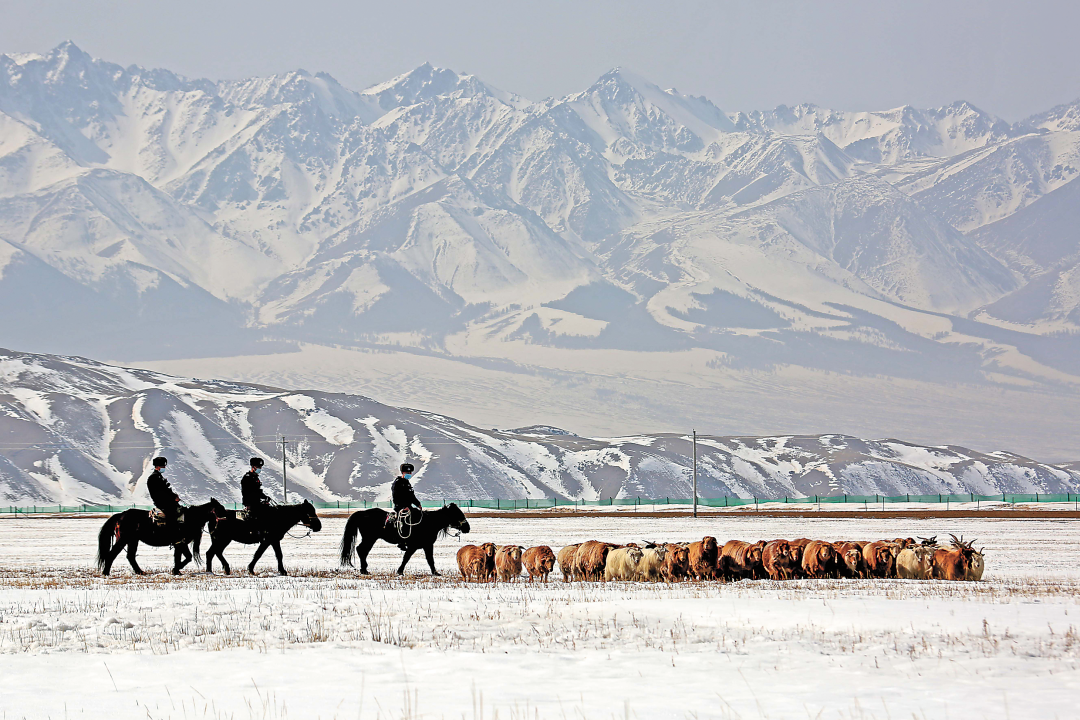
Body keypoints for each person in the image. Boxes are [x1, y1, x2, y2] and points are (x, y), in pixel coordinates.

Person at [146, 456, 182, 538]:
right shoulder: (154, 477)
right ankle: (171, 535)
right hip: (162, 502)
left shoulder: (158, 476)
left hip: (166, 501)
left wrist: (174, 496)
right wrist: (173, 498)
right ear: (158, 466)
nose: (164, 467)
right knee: (171, 514)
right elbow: (161, 492)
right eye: (163, 466)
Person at [391, 462, 422, 547]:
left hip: (409, 507)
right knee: (405, 521)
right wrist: (403, 507)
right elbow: (396, 497)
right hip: (401, 508)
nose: (410, 474)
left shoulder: (407, 483)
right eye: (408, 473)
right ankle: (402, 541)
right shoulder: (398, 483)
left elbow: (411, 496)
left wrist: (418, 504)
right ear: (403, 473)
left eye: (410, 473)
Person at [241, 457, 271, 527]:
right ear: (253, 467)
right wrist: (262, 497)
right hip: (251, 503)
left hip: (256, 502)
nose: (259, 468)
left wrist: (265, 497)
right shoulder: (248, 477)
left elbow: (258, 491)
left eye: (260, 467)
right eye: (258, 466)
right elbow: (249, 492)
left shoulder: (255, 477)